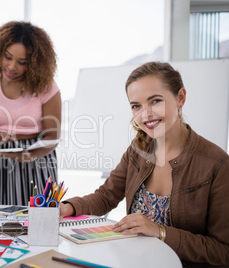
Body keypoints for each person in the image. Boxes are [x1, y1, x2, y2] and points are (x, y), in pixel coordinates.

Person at [60, 62, 229, 267]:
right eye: (136, 106)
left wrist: (161, 232)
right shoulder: (138, 150)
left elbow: (223, 251)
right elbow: (106, 196)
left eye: (155, 101)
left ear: (180, 98)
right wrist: (67, 207)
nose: (146, 115)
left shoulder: (218, 164)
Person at [0, 21, 61, 205]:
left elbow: (53, 135)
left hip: (38, 155)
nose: (12, 67)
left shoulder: (46, 86)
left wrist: (30, 155)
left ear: (35, 64)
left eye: (22, 62)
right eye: (8, 57)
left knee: (37, 220)